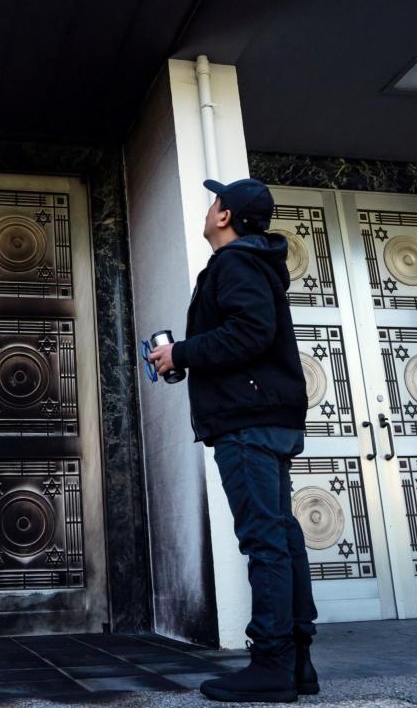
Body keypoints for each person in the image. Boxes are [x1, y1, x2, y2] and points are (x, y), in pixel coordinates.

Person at [147, 177, 318, 703]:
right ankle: (297, 663)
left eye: (213, 203)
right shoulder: (257, 263)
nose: (208, 209)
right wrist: (189, 354)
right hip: (269, 414)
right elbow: (252, 333)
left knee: (264, 539)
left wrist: (181, 354)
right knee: (281, 534)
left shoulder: (235, 264)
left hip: (248, 420)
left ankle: (270, 663)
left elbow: (250, 332)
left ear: (225, 217)